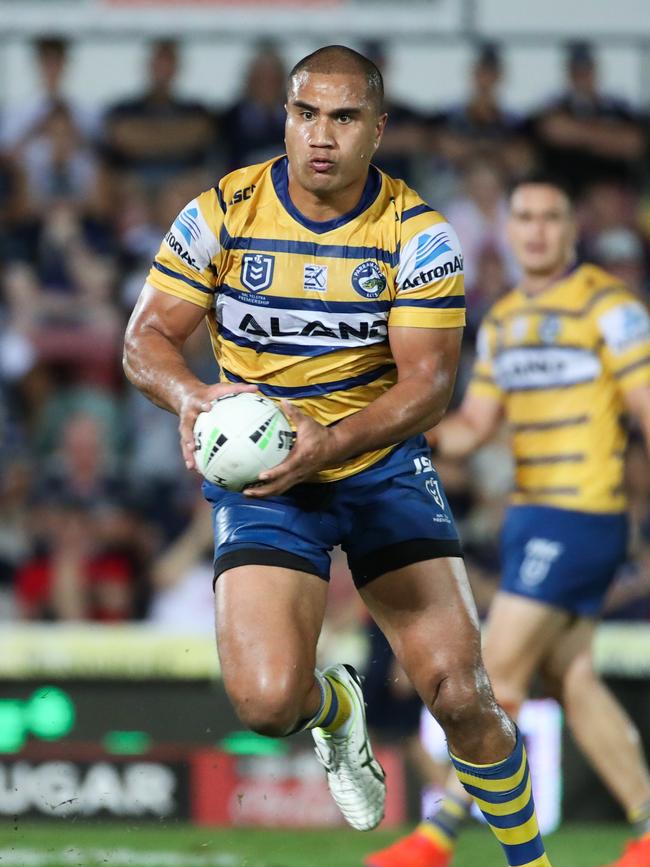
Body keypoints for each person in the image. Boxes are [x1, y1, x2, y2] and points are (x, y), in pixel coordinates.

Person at [123, 45, 552, 864]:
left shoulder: (418, 232)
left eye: (345, 117)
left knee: (462, 695)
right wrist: (187, 395)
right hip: (267, 482)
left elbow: (428, 385)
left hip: (379, 465)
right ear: (285, 117)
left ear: (378, 129)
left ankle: (532, 862)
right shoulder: (222, 210)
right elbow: (144, 337)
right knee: (266, 702)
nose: (321, 135)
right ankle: (336, 709)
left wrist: (333, 439)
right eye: (305, 113)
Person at [365, 175, 650, 867]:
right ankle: (647, 825)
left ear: (570, 229)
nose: (536, 230)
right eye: (523, 217)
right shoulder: (501, 321)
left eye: (550, 217)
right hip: (531, 517)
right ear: (510, 230)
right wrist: (404, 430)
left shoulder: (610, 309)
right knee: (573, 678)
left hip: (582, 514)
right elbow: (471, 427)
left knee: (495, 674)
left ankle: (438, 836)